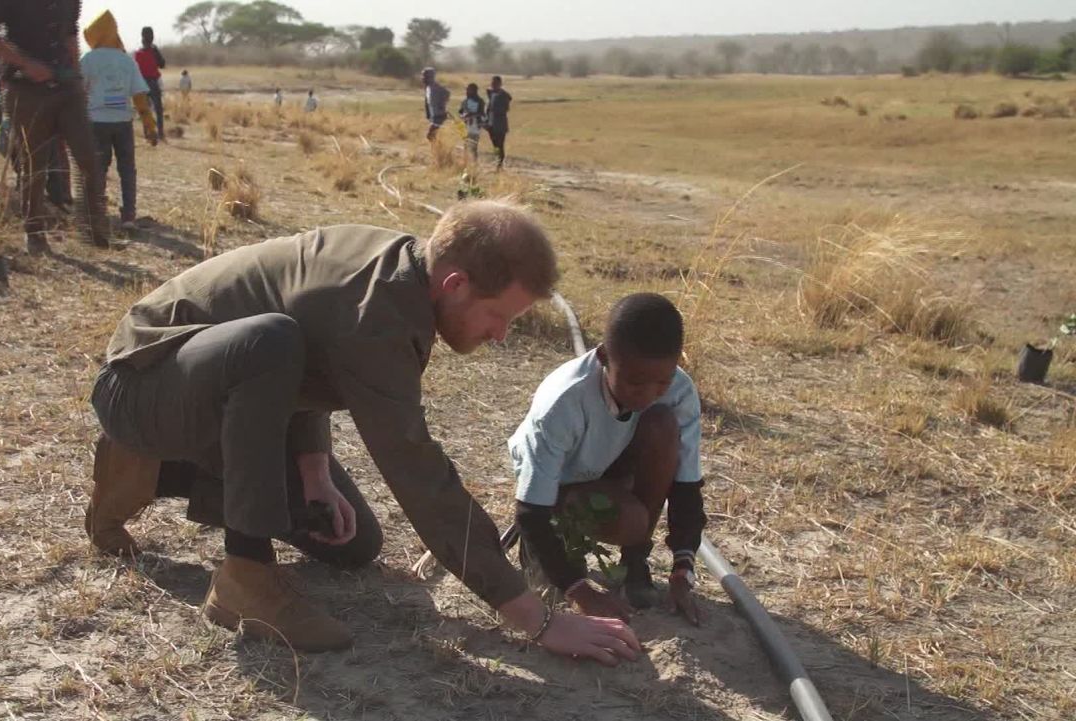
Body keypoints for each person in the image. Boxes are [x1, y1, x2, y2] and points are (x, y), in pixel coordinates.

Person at [88, 201, 642, 665]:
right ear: (455, 284)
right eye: (499, 316)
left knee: (354, 543)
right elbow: (416, 470)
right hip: (141, 385)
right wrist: (534, 618)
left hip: (213, 390)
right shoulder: (379, 310)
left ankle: (154, 469)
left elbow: (309, 343)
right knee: (269, 342)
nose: (499, 336)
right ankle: (244, 578)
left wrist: (314, 469)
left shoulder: (404, 277)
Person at [510, 293, 706, 625]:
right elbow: (530, 511)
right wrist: (579, 590)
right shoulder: (563, 401)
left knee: (661, 425)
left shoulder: (679, 393)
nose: (647, 394)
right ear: (603, 357)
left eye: (662, 381)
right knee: (628, 521)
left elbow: (686, 486)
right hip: (563, 482)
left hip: (614, 465)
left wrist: (683, 568)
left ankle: (634, 560)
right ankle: (549, 545)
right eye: (634, 382)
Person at [0, 0, 109, 253]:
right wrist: (25, 63)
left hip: (66, 85)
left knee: (89, 157)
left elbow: (70, 34)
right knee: (35, 163)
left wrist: (77, 76)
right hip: (25, 87)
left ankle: (94, 229)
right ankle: (35, 231)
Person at [79, 11, 157, 230]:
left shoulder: (88, 59)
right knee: (127, 169)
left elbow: (78, 92)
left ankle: (96, 214)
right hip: (123, 122)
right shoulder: (126, 60)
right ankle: (129, 216)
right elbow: (140, 98)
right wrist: (150, 127)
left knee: (98, 169)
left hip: (96, 122)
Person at [132, 26, 164, 140]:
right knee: (158, 109)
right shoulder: (154, 50)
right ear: (152, 36)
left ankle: (147, 133)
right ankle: (160, 133)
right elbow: (162, 64)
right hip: (153, 82)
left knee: (146, 109)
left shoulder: (137, 52)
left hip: (142, 83)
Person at [485, 75, 512, 170]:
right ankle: (498, 162)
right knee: (495, 145)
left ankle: (500, 164)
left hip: (500, 124)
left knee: (500, 145)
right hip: (491, 124)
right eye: (492, 83)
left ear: (500, 84)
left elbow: (506, 109)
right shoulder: (492, 94)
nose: (493, 85)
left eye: (495, 83)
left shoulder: (503, 95)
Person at [458, 82, 485, 163]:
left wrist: (471, 114)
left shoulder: (480, 101)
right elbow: (460, 111)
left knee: (473, 146)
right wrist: (463, 115)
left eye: (469, 89)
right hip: (465, 125)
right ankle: (465, 163)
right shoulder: (465, 101)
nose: (467, 91)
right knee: (466, 145)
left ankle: (474, 164)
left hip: (475, 126)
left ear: (474, 90)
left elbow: (481, 113)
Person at [421, 66, 449, 142]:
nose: (422, 78)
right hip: (434, 115)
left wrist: (442, 105)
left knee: (430, 136)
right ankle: (437, 150)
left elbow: (447, 93)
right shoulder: (428, 87)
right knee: (432, 136)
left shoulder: (435, 87)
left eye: (424, 76)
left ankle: (439, 150)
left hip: (438, 115)